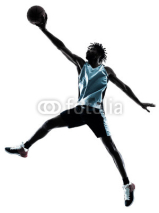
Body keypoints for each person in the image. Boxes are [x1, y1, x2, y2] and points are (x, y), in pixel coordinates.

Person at [5, 13, 155, 207]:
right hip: (79, 110)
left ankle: (127, 184)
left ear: (99, 55)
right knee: (48, 123)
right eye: (88, 48)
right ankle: (25, 148)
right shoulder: (80, 64)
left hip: (94, 113)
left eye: (91, 49)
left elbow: (124, 87)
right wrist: (43, 29)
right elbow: (61, 47)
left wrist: (140, 102)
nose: (88, 50)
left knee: (111, 149)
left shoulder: (106, 71)